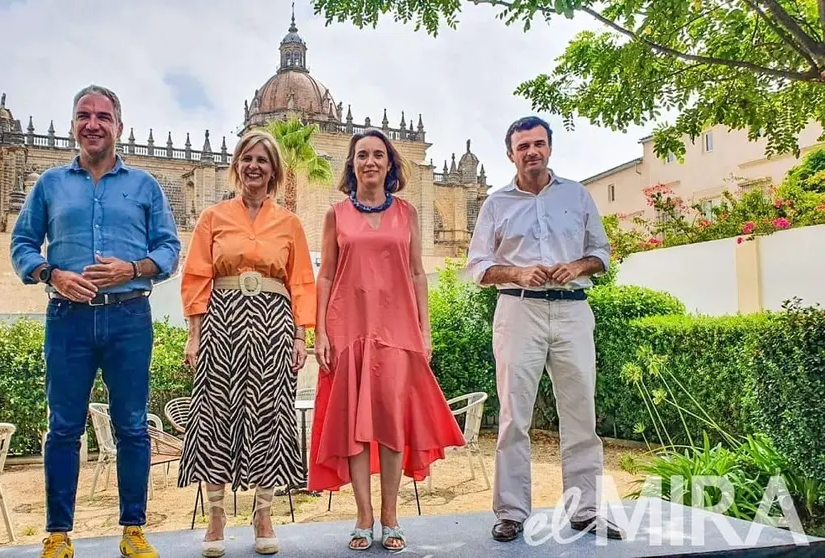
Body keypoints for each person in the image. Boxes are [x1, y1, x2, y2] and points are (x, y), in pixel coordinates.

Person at [10, 84, 181, 558]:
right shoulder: (50, 186)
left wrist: (133, 269)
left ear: (118, 127)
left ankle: (133, 529)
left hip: (129, 316)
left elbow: (169, 250)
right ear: (72, 125)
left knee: (131, 427)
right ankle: (58, 534)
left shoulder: (145, 186)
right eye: (84, 115)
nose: (92, 124)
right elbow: (22, 245)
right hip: (67, 318)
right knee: (63, 427)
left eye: (102, 116)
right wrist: (51, 273)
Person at [464, 116, 623, 542]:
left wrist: (577, 266)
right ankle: (512, 512)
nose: (531, 151)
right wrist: (516, 273)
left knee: (581, 415)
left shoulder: (577, 195)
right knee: (515, 417)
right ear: (510, 154)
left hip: (573, 310)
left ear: (549, 148)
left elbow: (601, 253)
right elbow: (477, 266)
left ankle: (585, 510)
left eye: (538, 144)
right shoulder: (496, 203)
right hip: (520, 313)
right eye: (522, 146)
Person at [308, 128, 466, 552]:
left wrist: (424, 329)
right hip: (348, 329)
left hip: (397, 330)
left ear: (391, 164)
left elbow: (416, 273)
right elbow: (325, 275)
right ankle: (363, 516)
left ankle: (391, 515)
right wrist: (320, 331)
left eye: (379, 155)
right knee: (355, 428)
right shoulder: (335, 214)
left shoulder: (408, 214)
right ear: (352, 164)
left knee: (393, 424)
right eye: (362, 155)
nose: (370, 162)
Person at [177, 129, 315, 557]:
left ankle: (264, 512)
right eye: (247, 158)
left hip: (274, 322)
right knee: (216, 412)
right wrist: (194, 335)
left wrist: (300, 335)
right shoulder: (213, 217)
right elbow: (197, 276)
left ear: (274, 170)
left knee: (270, 413)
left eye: (263, 160)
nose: (254, 166)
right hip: (222, 319)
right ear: (237, 165)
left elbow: (301, 282)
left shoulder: (289, 222)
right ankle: (216, 515)